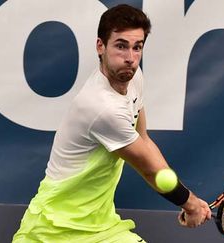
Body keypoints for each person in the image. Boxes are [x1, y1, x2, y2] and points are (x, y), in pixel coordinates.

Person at [13, 4, 211, 242]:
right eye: (121, 46)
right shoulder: (101, 107)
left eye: (137, 47)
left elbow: (144, 140)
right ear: (100, 46)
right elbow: (149, 169)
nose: (130, 58)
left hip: (100, 227)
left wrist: (190, 202)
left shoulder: (134, 78)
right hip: (52, 230)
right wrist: (190, 204)